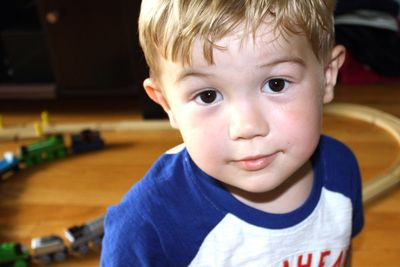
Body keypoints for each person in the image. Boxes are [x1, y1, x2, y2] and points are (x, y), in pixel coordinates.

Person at [101, 0, 364, 266]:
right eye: (207, 95)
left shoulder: (341, 171)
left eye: (276, 84)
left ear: (328, 75)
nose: (247, 127)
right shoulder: (148, 223)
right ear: (167, 103)